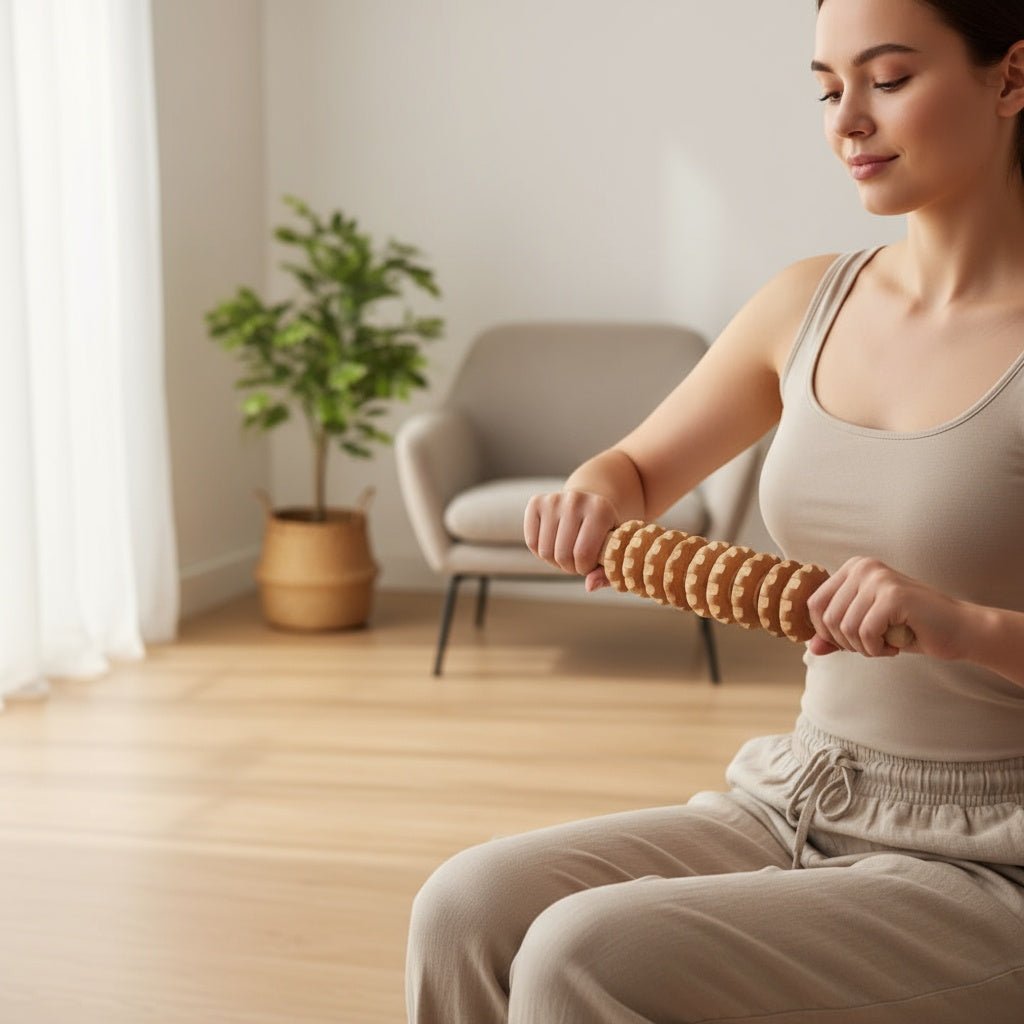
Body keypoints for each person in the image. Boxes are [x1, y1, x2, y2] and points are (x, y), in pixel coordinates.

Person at [405, 0, 1024, 1019]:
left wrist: (960, 624)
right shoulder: (805, 302)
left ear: (1008, 78)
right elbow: (638, 468)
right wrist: (598, 490)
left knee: (581, 955)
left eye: (888, 78)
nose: (846, 121)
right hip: (801, 790)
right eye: (827, 89)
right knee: (463, 907)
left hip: (994, 852)